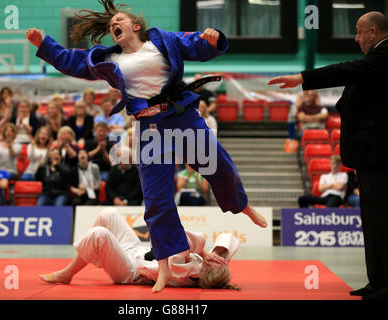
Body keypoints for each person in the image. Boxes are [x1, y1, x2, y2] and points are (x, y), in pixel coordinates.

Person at [27, 0, 266, 292]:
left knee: (216, 164)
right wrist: (45, 45)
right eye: (111, 24)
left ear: (135, 26)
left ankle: (242, 205)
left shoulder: (161, 40)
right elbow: (72, 60)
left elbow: (194, 44)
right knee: (155, 199)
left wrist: (212, 40)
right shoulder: (108, 59)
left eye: (120, 20)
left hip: (180, 115)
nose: (114, 25)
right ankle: (163, 267)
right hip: (148, 127)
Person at [268, 11, 388, 300]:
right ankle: (377, 281)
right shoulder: (373, 62)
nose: (357, 38)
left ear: (373, 31)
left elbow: (347, 70)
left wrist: (302, 77)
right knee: (372, 223)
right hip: (369, 155)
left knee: (381, 223)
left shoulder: (383, 56)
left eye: (359, 32)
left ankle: (384, 285)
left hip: (380, 155)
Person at [39, 207, 240, 290]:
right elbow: (230, 238)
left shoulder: (189, 272)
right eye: (218, 260)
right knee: (108, 214)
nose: (213, 259)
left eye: (213, 263)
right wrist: (215, 254)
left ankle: (67, 273)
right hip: (137, 250)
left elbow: (179, 236)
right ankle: (94, 255)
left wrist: (203, 251)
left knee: (98, 234)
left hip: (130, 270)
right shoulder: (207, 267)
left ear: (206, 273)